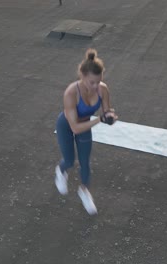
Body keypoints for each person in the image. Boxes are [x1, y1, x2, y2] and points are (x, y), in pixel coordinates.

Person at [55, 48, 118, 215]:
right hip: (66, 126)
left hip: (85, 126)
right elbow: (74, 127)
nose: (96, 86)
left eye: (99, 81)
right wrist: (99, 120)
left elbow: (106, 111)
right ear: (82, 76)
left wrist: (109, 116)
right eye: (92, 82)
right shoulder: (71, 92)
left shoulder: (103, 89)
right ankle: (60, 172)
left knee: (85, 163)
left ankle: (84, 191)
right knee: (69, 161)